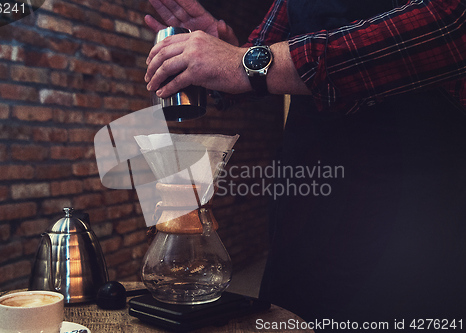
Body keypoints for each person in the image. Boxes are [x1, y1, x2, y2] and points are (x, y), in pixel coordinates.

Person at [145, 0, 466, 329]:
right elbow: (262, 56)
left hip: (415, 220)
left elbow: (449, 28)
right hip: (306, 210)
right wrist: (228, 53)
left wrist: (243, 63)